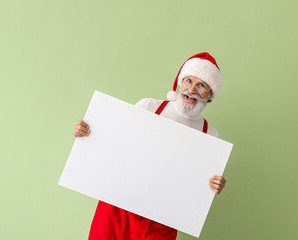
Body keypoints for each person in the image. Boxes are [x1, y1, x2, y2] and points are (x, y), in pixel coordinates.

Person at [73, 52, 227, 240]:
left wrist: (213, 185)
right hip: (118, 207)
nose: (192, 90)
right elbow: (114, 141)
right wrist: (87, 132)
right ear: (180, 83)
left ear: (210, 93)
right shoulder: (148, 107)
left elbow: (198, 187)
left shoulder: (211, 136)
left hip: (162, 221)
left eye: (201, 85)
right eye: (188, 81)